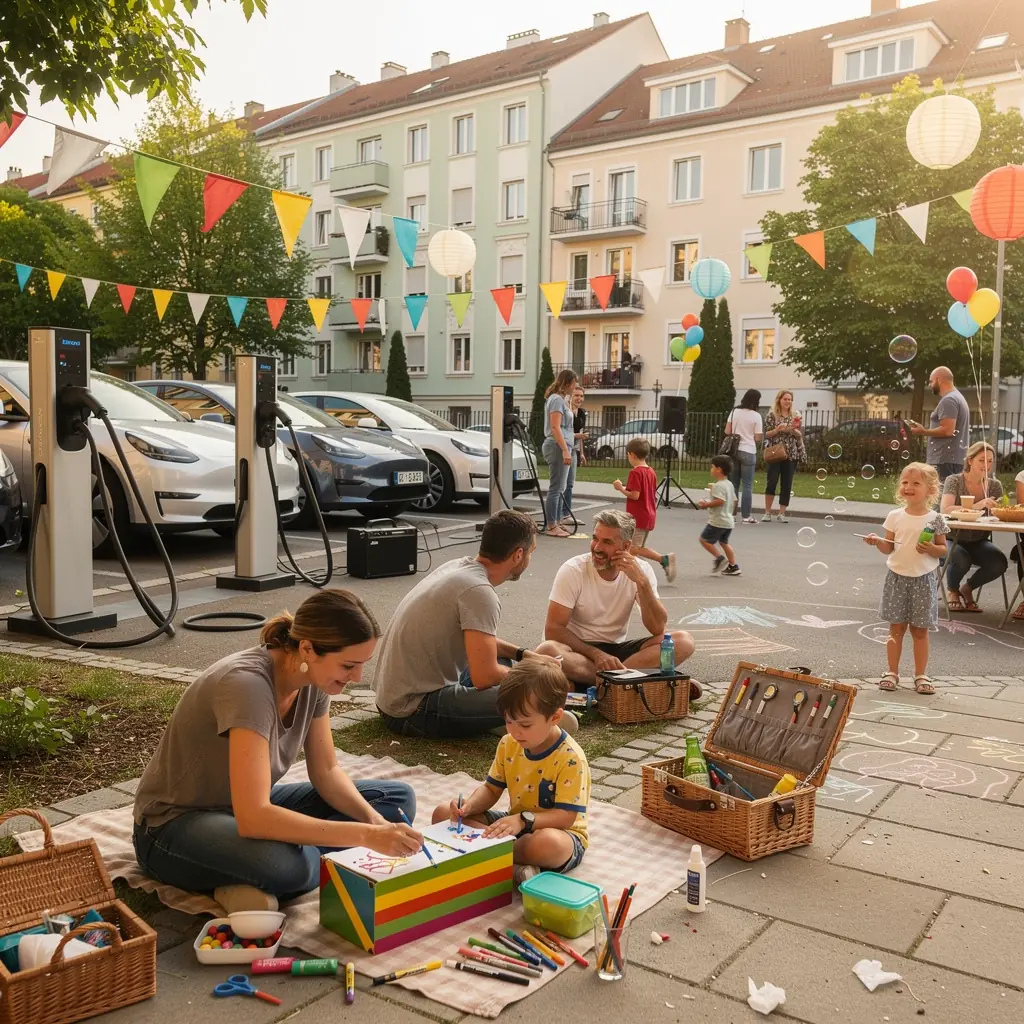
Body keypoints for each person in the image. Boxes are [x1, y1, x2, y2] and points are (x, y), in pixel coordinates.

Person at [132, 590, 421, 912]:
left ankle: (248, 873)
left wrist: (374, 823)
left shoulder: (314, 679)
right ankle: (255, 872)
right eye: (349, 665)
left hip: (240, 810)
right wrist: (365, 837)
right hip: (173, 825)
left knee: (394, 802)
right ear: (308, 649)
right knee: (290, 864)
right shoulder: (247, 686)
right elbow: (254, 817)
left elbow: (326, 772)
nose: (357, 678)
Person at [375, 510, 565, 739]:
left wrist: (526, 656)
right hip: (410, 708)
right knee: (531, 694)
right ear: (517, 555)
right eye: (530, 553)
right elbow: (484, 676)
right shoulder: (478, 592)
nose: (529, 560)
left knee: (504, 662)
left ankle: (496, 718)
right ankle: (524, 720)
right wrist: (536, 677)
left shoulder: (459, 567)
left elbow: (479, 643)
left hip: (396, 695)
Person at [432, 660, 590, 887]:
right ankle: (505, 862)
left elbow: (566, 816)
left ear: (554, 717)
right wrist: (469, 806)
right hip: (513, 826)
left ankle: (486, 854)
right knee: (442, 814)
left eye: (525, 725)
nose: (515, 731)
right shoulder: (509, 743)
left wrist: (523, 820)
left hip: (559, 833)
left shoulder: (571, 757)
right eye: (508, 721)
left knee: (547, 845)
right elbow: (491, 788)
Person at [537, 509, 700, 698]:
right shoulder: (573, 570)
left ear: (626, 546)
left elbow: (657, 628)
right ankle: (632, 683)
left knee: (682, 642)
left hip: (615, 654)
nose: (597, 547)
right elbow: (553, 629)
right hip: (576, 650)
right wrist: (597, 654)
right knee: (547, 650)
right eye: (595, 538)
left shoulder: (641, 571)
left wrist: (642, 582)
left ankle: (603, 685)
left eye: (607, 542)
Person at [863, 463, 949, 695]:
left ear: (931, 490)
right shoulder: (894, 516)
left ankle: (921, 674)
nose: (908, 487)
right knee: (896, 629)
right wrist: (876, 541)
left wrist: (931, 547)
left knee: (920, 631)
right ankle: (892, 672)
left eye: (915, 483)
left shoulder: (935, 518)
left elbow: (943, 550)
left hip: (923, 580)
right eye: (904, 482)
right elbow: (888, 548)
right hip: (897, 578)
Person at [939, 442, 1006, 613]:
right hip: (949, 537)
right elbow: (946, 509)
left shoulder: (994, 485)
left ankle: (967, 588)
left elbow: (997, 514)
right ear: (970, 461)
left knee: (999, 563)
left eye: (990, 461)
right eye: (982, 460)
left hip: (978, 539)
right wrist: (977, 505)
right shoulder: (954, 480)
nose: (987, 465)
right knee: (961, 558)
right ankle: (953, 590)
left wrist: (1001, 511)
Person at [612, 437, 677, 581]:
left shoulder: (635, 473)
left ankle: (663, 559)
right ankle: (634, 575)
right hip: (648, 513)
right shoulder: (650, 471)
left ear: (632, 455)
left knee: (633, 548)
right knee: (636, 548)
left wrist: (620, 488)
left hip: (637, 516)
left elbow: (634, 495)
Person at [910, 366, 970, 482]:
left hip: (944, 460)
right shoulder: (957, 397)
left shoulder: (949, 400)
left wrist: (923, 431)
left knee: (940, 497)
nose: (930, 385)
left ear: (939, 380)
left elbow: (948, 430)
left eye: (931, 381)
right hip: (951, 459)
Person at [542, 368, 578, 537]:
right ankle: (551, 525)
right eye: (574, 382)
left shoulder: (562, 400)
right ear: (568, 382)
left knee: (561, 487)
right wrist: (565, 450)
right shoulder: (556, 400)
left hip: (563, 445)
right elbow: (555, 427)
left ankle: (555, 522)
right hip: (557, 446)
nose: (575, 386)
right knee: (556, 487)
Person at [762, 389, 805, 523]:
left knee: (787, 484)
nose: (788, 401)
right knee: (772, 481)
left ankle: (782, 513)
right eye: (785, 399)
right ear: (779, 400)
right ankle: (767, 512)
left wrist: (795, 431)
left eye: (790, 399)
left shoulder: (795, 415)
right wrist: (777, 430)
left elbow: (799, 434)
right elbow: (766, 434)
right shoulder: (771, 415)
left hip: (791, 453)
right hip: (776, 452)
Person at [725, 389, 763, 524]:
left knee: (733, 484)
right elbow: (758, 437)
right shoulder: (756, 416)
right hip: (748, 451)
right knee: (747, 485)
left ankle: (731, 515)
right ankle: (746, 516)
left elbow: (727, 431)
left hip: (734, 451)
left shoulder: (734, 412)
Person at [699, 455, 739, 576]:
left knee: (704, 540)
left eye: (712, 467)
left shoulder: (718, 486)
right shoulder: (729, 484)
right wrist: (731, 513)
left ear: (719, 469)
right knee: (724, 542)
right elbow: (734, 500)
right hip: (728, 520)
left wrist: (706, 504)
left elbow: (720, 501)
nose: (711, 469)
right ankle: (733, 566)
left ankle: (719, 558)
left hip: (718, 520)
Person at [561, 384, 587, 526]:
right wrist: (577, 435)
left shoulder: (581, 413)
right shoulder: (565, 411)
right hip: (564, 448)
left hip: (574, 449)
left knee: (570, 484)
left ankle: (566, 514)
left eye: (582, 396)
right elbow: (562, 431)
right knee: (561, 484)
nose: (579, 398)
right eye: (576, 395)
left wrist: (581, 452)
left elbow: (580, 435)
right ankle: (558, 514)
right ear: (571, 396)